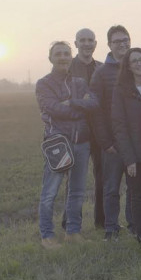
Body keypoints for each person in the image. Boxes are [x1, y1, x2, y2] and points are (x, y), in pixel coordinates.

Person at [36, 41, 99, 249]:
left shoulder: (80, 82)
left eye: (66, 53)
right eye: (58, 54)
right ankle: (47, 236)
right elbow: (52, 108)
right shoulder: (43, 84)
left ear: (71, 57)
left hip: (82, 142)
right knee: (50, 193)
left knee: (77, 191)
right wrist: (80, 108)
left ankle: (73, 232)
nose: (63, 57)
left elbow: (93, 104)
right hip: (59, 143)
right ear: (50, 58)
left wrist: (72, 103)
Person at [111, 48, 141, 246]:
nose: (139, 63)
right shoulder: (122, 90)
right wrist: (129, 158)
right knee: (138, 195)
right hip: (135, 150)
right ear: (128, 67)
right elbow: (119, 126)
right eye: (134, 61)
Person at [90, 25, 133, 241]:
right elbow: (95, 112)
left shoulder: (137, 67)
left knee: (135, 188)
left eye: (126, 40)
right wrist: (105, 142)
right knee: (111, 188)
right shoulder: (101, 73)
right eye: (117, 41)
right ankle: (111, 228)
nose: (122, 44)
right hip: (112, 144)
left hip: (134, 142)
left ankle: (135, 226)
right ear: (109, 45)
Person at [67, 28, 104, 230]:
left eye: (90, 40)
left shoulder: (102, 68)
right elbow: (66, 100)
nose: (87, 43)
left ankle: (101, 221)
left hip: (100, 131)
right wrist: (86, 101)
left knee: (103, 177)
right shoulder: (68, 68)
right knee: (74, 180)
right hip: (76, 131)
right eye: (82, 40)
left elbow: (103, 100)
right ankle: (71, 224)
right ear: (76, 44)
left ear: (96, 44)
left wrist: (82, 101)